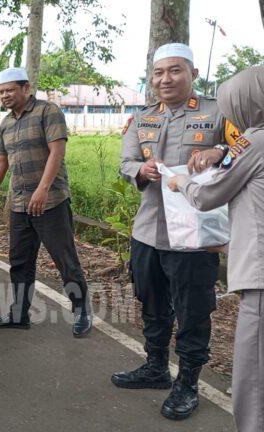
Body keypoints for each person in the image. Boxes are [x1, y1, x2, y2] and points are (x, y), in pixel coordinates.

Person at [112, 43, 240, 421]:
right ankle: (155, 367)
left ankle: (187, 382)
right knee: (150, 300)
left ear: (193, 74)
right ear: (151, 78)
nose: (165, 79)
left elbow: (247, 148)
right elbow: (126, 160)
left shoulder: (219, 113)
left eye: (175, 71)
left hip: (196, 237)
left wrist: (219, 152)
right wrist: (140, 170)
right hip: (149, 231)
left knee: (193, 310)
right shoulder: (142, 118)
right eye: (158, 73)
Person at [166, 66, 264, 432]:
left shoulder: (253, 140)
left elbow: (209, 195)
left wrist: (181, 182)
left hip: (260, 278)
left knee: (253, 378)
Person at [0, 67, 92, 337]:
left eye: (10, 90)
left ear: (25, 88)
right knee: (19, 261)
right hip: (19, 204)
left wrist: (42, 189)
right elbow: (1, 162)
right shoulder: (6, 123)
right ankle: (19, 314)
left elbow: (57, 151)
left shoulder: (46, 111)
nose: (5, 95)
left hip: (50, 201)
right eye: (1, 91)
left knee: (64, 258)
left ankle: (82, 312)